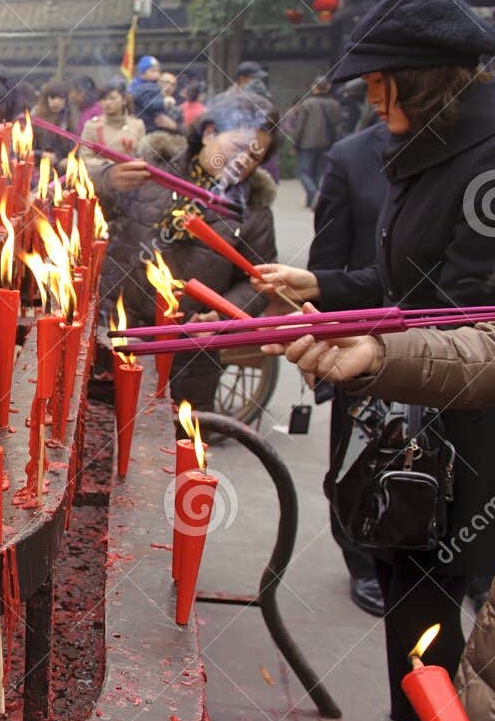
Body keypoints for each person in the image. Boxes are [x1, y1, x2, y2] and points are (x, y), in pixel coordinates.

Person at [253, 0, 495, 721]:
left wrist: (366, 340)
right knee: (408, 588)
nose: (369, 104)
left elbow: (466, 316)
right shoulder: (424, 152)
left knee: (447, 599)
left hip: (477, 424)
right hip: (414, 408)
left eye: (383, 86)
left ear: (430, 83)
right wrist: (329, 290)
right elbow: (405, 290)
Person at [96, 95, 280, 410]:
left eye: (255, 157)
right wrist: (106, 181)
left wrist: (222, 315)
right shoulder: (150, 173)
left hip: (189, 350)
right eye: (237, 148)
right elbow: (78, 200)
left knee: (177, 448)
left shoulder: (253, 212)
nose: (243, 163)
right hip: (114, 332)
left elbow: (257, 281)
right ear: (209, 132)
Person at [305, 121, 391, 618]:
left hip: (452, 335)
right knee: (359, 448)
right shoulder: (352, 156)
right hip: (360, 330)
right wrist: (320, 328)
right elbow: (329, 257)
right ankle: (362, 556)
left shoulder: (487, 147)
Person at [291, 77, 342, 207]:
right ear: (328, 87)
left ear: (315, 87)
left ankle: (313, 194)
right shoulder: (334, 104)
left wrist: (295, 143)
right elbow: (338, 126)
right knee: (317, 173)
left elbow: (300, 126)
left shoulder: (308, 103)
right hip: (327, 143)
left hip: (307, 144)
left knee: (303, 172)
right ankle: (310, 201)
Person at [78, 80, 145, 164]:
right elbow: (85, 158)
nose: (107, 103)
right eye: (104, 99)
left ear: (124, 100)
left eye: (112, 98)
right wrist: (108, 165)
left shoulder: (137, 125)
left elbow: (143, 156)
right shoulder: (91, 126)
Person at [33, 78, 77, 162]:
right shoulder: (35, 120)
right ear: (46, 99)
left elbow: (73, 148)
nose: (56, 102)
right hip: (38, 167)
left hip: (62, 169)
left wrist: (69, 160)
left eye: (61, 98)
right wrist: (42, 154)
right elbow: (24, 149)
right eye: (52, 97)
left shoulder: (68, 120)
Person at [130, 55, 177, 132]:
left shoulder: (152, 86)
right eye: (153, 71)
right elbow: (148, 103)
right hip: (148, 125)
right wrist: (163, 103)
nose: (157, 74)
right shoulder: (146, 88)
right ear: (143, 74)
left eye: (158, 71)